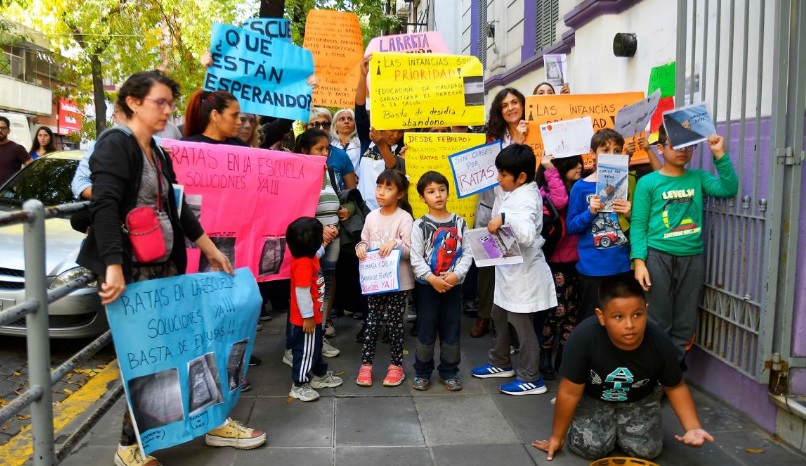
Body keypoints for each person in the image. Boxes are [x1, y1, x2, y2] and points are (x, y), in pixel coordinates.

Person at [75, 70, 265, 466]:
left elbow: (176, 206)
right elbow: (105, 207)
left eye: (169, 103)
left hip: (162, 266)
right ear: (132, 102)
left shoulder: (157, 150)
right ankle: (130, 448)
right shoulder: (115, 144)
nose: (168, 110)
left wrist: (209, 249)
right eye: (159, 102)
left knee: (190, 345)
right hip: (131, 270)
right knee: (150, 358)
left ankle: (209, 419)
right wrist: (113, 267)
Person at [532, 275, 714, 461]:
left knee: (647, 451)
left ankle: (623, 427)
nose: (629, 325)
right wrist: (557, 437)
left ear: (646, 311)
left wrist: (692, 427)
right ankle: (599, 424)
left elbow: (675, 386)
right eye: (618, 317)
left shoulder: (660, 343)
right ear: (601, 317)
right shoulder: (583, 339)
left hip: (640, 398)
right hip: (595, 397)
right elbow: (569, 392)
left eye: (637, 314)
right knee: (590, 449)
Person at [631, 128, 738, 365]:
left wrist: (719, 154)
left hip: (692, 258)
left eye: (689, 146)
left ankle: (672, 373)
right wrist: (639, 262)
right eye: (676, 145)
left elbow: (728, 189)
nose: (683, 151)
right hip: (657, 258)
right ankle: (654, 373)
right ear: (660, 148)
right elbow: (638, 226)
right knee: (658, 319)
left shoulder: (698, 177)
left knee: (685, 321)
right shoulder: (648, 183)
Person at [471, 144, 557, 395]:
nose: (498, 178)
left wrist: (505, 220)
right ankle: (500, 361)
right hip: (507, 267)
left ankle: (531, 376)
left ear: (520, 177)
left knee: (522, 325)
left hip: (524, 275)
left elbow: (528, 235)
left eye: (503, 174)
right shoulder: (511, 190)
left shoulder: (528, 199)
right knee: (499, 314)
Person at [470, 87, 528, 339]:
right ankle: (485, 315)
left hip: (520, 209)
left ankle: (512, 323)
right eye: (505, 105)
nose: (511, 108)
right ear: (499, 111)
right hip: (490, 207)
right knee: (488, 266)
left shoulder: (535, 131)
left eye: (515, 102)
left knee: (516, 264)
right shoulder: (490, 137)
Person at [409, 171, 472, 391]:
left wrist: (456, 275)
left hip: (453, 287)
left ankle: (449, 371)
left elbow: (467, 253)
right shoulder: (419, 225)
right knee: (426, 328)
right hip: (427, 288)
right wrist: (431, 278)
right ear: (422, 197)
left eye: (442, 190)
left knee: (451, 328)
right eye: (431, 191)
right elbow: (416, 258)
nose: (438, 195)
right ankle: (422, 371)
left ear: (448, 192)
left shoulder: (459, 222)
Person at [355, 169, 414, 387]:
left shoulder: (404, 218)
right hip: (375, 281)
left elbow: (410, 250)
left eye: (388, 188)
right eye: (379, 186)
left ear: (399, 194)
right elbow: (364, 241)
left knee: (395, 324)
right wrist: (360, 248)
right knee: (371, 322)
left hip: (398, 282)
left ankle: (396, 366)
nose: (381, 192)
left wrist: (396, 244)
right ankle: (366, 365)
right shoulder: (371, 216)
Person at [566, 129, 633, 322]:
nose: (612, 155)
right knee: (593, 320)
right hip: (593, 268)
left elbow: (639, 225)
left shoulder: (628, 182)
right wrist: (589, 212)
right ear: (592, 154)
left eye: (617, 150)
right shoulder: (581, 187)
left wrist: (629, 214)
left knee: (620, 319)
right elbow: (571, 226)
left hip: (621, 266)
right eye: (605, 150)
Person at [284, 216, 345, 401]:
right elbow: (302, 293)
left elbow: (318, 253)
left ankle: (319, 374)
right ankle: (299, 384)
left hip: (314, 318)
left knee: (315, 348)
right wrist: (308, 318)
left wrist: (326, 241)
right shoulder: (302, 264)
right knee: (304, 352)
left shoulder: (308, 256)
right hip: (306, 321)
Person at [538, 155, 582, 380]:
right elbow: (561, 202)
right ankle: (544, 352)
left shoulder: (581, 187)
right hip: (556, 260)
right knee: (557, 311)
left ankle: (563, 354)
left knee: (573, 312)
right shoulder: (545, 191)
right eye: (574, 163)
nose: (580, 167)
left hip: (578, 260)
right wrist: (549, 169)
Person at [0, 115, 32, 186]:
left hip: (7, 194)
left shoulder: (17, 148)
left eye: (3, 128)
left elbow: (32, 169)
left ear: (8, 130)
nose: (0, 131)